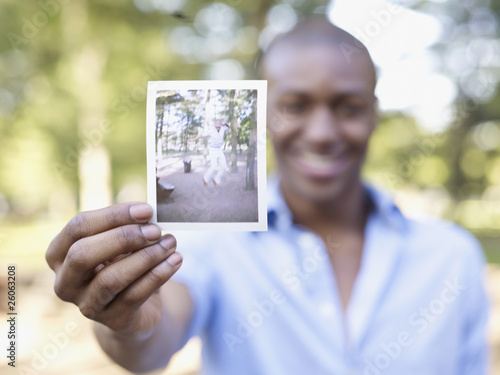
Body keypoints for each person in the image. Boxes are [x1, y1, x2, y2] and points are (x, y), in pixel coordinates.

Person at [46, 18, 489, 374]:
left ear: (373, 114)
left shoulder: (453, 258)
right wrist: (126, 323)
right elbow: (153, 340)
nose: (321, 133)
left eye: (348, 107)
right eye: (295, 106)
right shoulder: (211, 243)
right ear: (260, 115)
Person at [188, 119, 230, 188]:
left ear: (221, 124)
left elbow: (228, 127)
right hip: (213, 149)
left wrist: (226, 123)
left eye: (219, 124)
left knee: (224, 166)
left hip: (219, 150)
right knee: (214, 166)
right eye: (216, 124)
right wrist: (193, 139)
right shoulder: (211, 130)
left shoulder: (223, 128)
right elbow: (201, 135)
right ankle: (205, 178)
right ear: (214, 125)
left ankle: (216, 180)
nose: (218, 126)